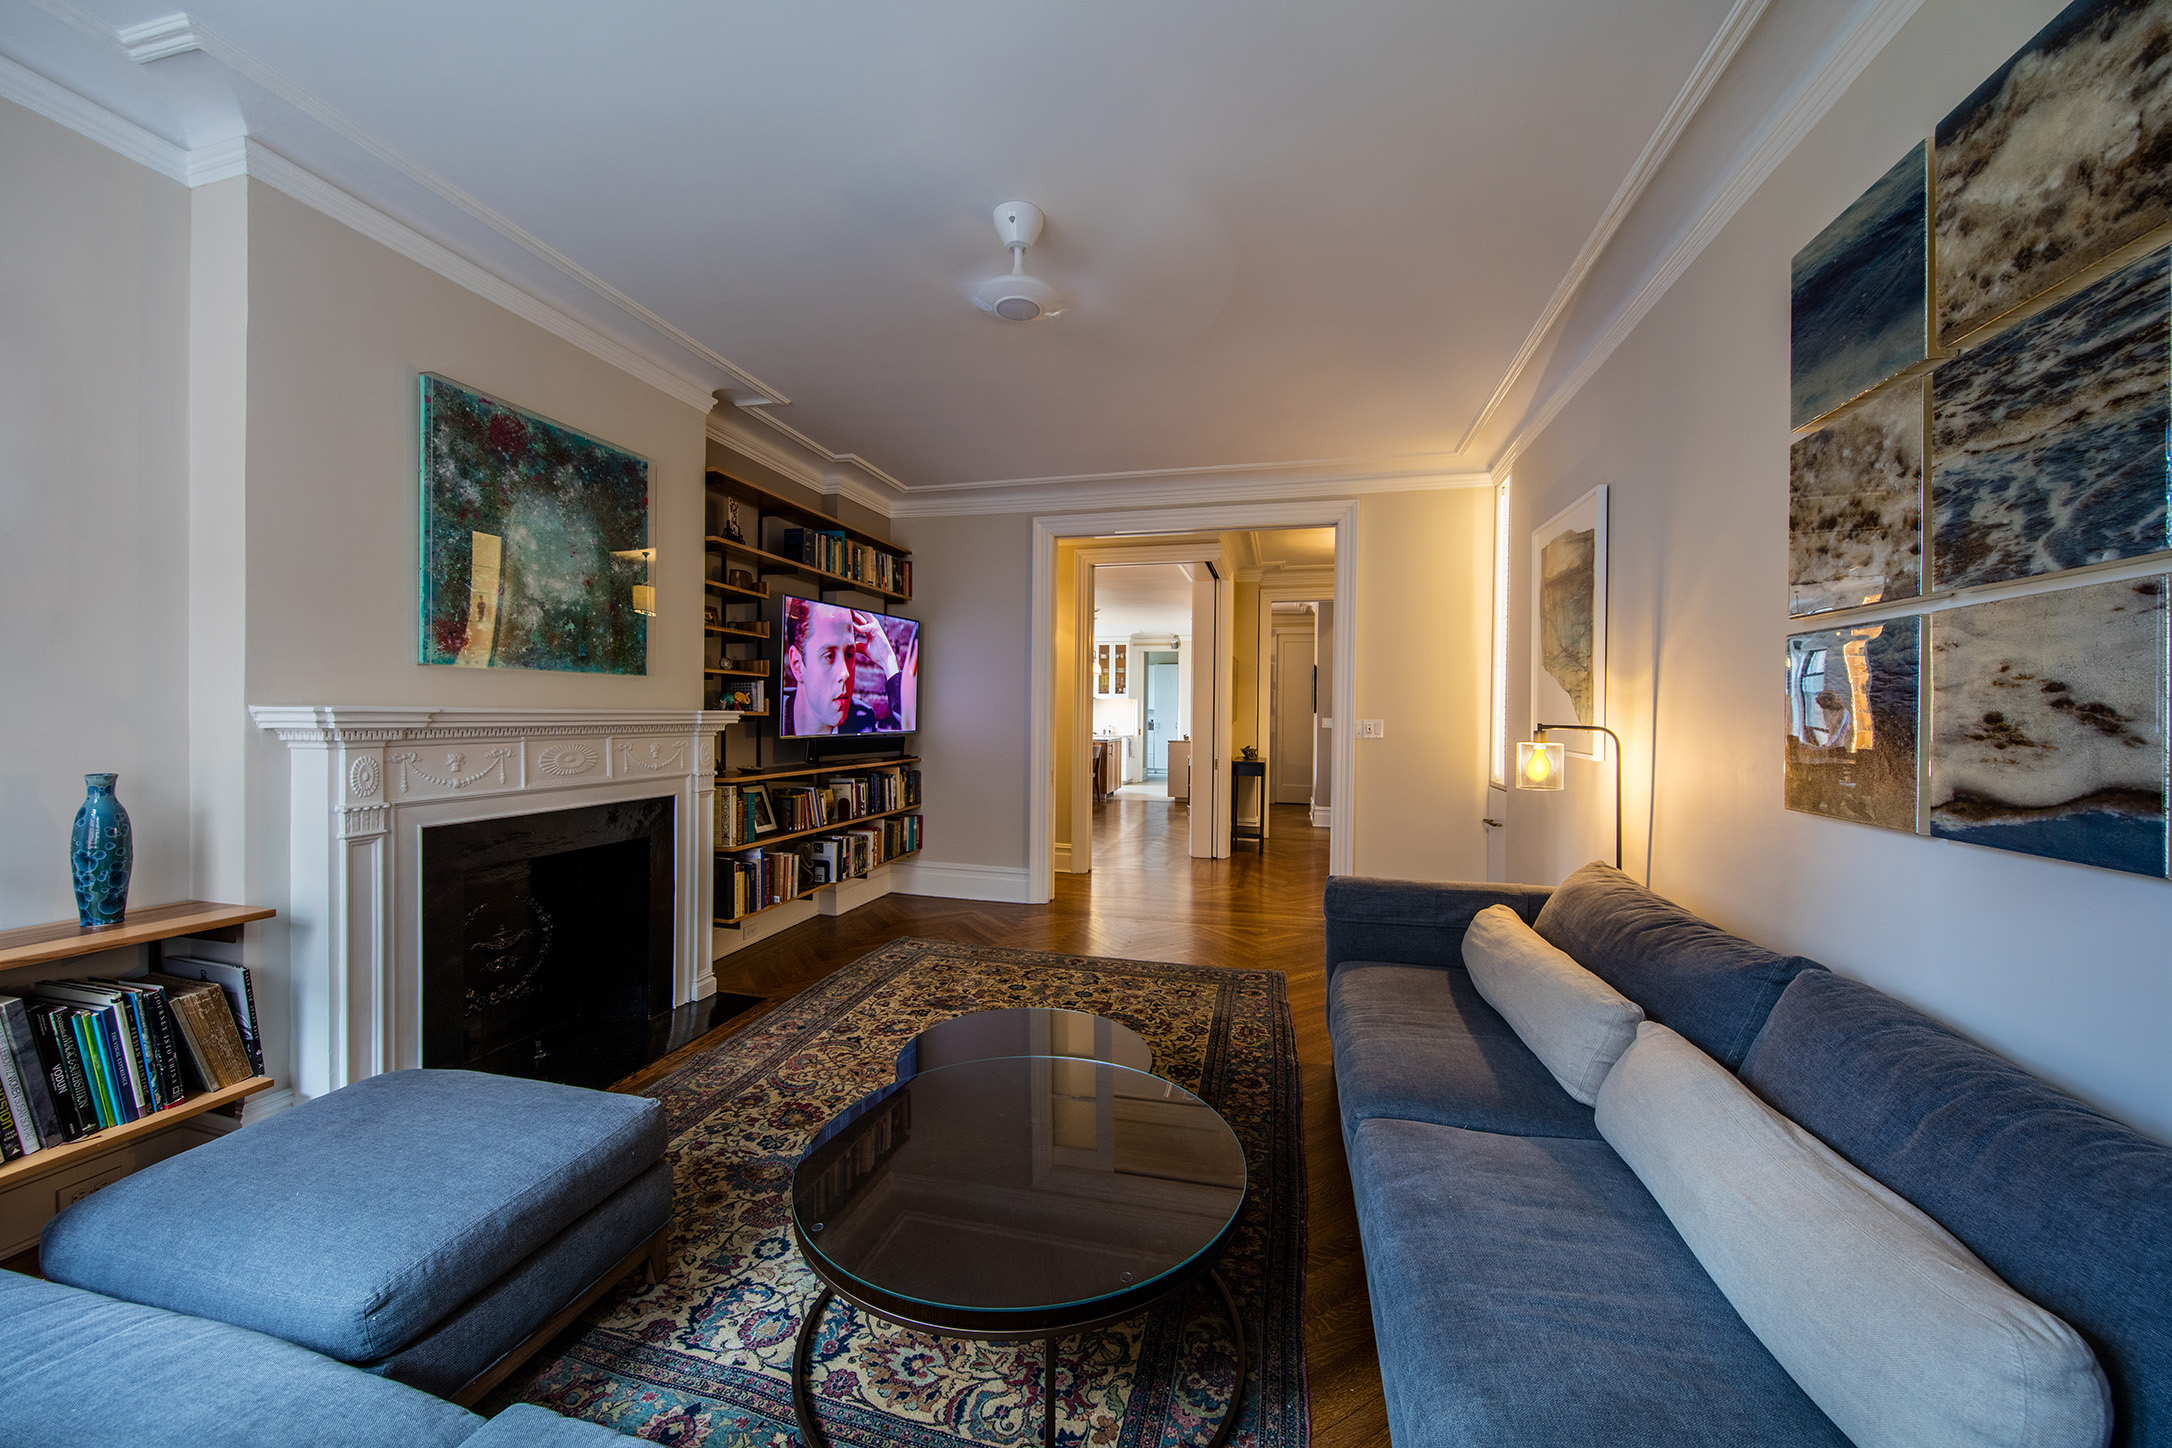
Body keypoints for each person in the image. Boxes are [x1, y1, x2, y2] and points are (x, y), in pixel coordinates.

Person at [783, 601, 909, 736]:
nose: (845, 673)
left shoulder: (863, 722)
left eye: (849, 654)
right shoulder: (774, 714)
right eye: (829, 656)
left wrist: (887, 658)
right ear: (797, 664)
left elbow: (909, 733)